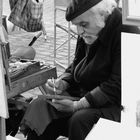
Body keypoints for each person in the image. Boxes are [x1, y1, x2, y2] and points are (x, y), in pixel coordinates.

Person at [19, 0, 140, 140]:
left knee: (80, 119)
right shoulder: (90, 28)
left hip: (117, 104)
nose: (79, 31)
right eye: (77, 25)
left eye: (83, 25)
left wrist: (78, 105)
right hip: (85, 94)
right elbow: (77, 63)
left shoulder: (127, 30)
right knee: (41, 105)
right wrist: (63, 82)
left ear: (102, 14)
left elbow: (117, 85)